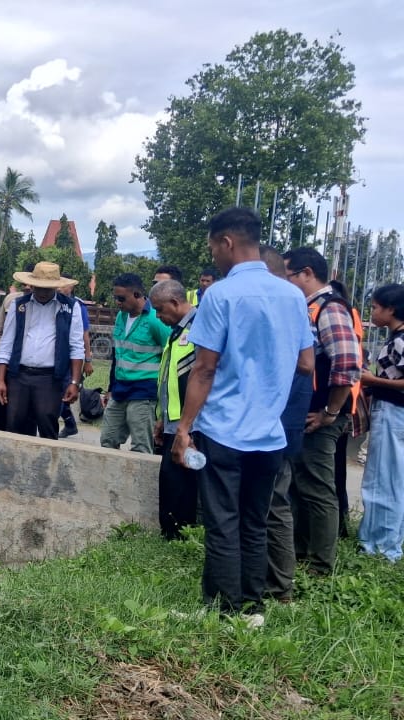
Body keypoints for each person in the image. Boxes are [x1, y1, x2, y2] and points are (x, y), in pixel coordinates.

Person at [172, 207, 313, 620]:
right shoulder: (292, 296)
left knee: (223, 522)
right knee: (254, 522)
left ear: (227, 242)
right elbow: (306, 363)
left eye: (213, 248)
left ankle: (222, 610)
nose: (214, 256)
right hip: (269, 432)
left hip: (225, 429)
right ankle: (252, 609)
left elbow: (204, 368)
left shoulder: (220, 295)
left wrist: (184, 428)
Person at [281, 246, 360, 577]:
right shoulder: (308, 308)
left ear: (307, 274)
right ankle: (301, 551)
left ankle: (321, 565)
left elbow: (347, 363)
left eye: (288, 276)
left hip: (321, 416)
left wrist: (330, 411)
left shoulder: (330, 308)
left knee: (317, 488)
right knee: (300, 485)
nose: (285, 283)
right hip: (305, 413)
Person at [258, 244, 314, 605]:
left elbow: (304, 364)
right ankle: (270, 579)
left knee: (274, 503)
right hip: (282, 419)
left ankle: (279, 587)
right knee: (271, 501)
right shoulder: (292, 305)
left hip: (278, 420)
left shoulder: (283, 306)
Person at [0, 262, 85, 439]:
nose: (43, 292)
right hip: (19, 375)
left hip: (50, 378)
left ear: (56, 287)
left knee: (47, 423)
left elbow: (76, 347)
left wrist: (74, 382)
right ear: (32, 285)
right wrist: (0, 380)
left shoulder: (69, 307)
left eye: (47, 288)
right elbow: (6, 343)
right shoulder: (19, 305)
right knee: (14, 424)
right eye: (39, 287)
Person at [150, 279, 201, 539]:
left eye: (160, 310)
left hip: (190, 425)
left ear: (174, 302)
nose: (158, 316)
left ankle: (183, 537)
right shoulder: (178, 330)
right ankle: (171, 535)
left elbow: (202, 378)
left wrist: (188, 427)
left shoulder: (200, 327)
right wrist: (162, 418)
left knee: (185, 485)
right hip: (173, 422)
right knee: (171, 482)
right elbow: (169, 378)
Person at [358, 283, 404, 562]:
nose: (372, 312)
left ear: (391, 309)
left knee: (383, 478)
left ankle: (381, 547)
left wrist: (372, 380)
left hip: (392, 410)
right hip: (389, 410)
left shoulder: (400, 340)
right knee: (389, 477)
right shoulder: (395, 337)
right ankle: (383, 541)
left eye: (375, 307)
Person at [101, 273, 169, 454]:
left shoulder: (155, 319)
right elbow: (117, 356)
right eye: (116, 298)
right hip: (120, 388)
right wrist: (111, 387)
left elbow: (169, 354)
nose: (117, 302)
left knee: (141, 445)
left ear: (137, 294)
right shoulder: (121, 317)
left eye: (121, 298)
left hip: (144, 390)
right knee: (108, 439)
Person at [329, 278, 366, 538]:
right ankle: (340, 524)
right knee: (336, 468)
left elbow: (346, 363)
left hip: (342, 402)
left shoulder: (340, 313)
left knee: (333, 470)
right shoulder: (347, 312)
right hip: (345, 401)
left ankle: (339, 526)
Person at [0, 265, 33, 432]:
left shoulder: (49, 305)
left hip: (33, 370)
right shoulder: (11, 301)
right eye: (24, 283)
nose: (27, 287)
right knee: (3, 413)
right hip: (9, 366)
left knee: (28, 419)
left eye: (31, 283)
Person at [58, 276, 93, 437]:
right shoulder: (54, 301)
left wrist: (87, 360)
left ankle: (68, 424)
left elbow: (84, 335)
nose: (60, 288)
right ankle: (69, 423)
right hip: (57, 357)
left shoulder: (77, 306)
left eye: (64, 285)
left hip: (71, 359)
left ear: (71, 287)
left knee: (64, 392)